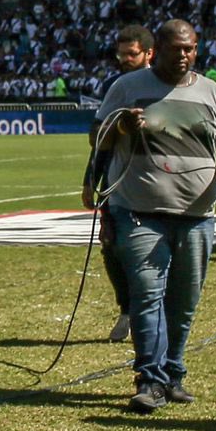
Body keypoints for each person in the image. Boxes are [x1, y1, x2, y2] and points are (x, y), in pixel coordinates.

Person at [95, 19, 216, 413]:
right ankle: (150, 379)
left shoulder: (211, 91)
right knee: (147, 296)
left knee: (184, 301)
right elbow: (98, 137)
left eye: (190, 48)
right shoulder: (127, 88)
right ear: (156, 49)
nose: (184, 55)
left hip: (198, 215)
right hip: (140, 213)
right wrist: (122, 126)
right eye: (176, 48)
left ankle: (173, 373)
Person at [82, 24, 153, 343]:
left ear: (149, 53)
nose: (124, 59)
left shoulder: (164, 84)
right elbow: (100, 139)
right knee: (112, 246)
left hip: (156, 182)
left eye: (132, 54)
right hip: (116, 183)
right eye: (121, 54)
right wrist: (90, 181)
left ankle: (151, 312)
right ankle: (127, 310)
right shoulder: (114, 85)